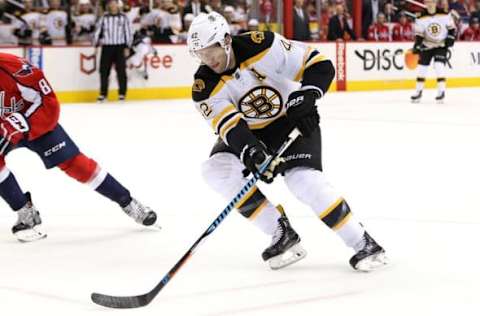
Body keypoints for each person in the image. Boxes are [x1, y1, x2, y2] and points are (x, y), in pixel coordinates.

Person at [187, 12, 387, 271]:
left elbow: (319, 65)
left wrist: (306, 96)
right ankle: (281, 232)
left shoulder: (264, 45)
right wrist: (252, 153)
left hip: (292, 121)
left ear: (225, 40)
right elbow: (231, 128)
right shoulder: (204, 87)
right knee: (216, 170)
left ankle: (363, 243)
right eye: (200, 53)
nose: (206, 59)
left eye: (209, 50)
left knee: (303, 181)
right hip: (252, 132)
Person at [0, 52, 158, 242]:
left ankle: (127, 202)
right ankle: (25, 212)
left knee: (76, 165)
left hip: (35, 120)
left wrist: (22, 124)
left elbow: (48, 101)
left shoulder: (12, 66)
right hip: (3, 124)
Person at [410, 0, 456, 103]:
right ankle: (418, 92)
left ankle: (441, 91)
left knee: (439, 66)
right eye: (428, 2)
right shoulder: (420, 17)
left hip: (441, 45)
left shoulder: (444, 14)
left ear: (435, 3)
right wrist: (417, 45)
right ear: (425, 3)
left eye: (432, 2)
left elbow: (452, 29)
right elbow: (419, 35)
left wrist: (450, 38)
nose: (430, 4)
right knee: (422, 69)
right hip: (427, 45)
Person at [94, 0, 133, 102]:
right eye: (110, 3)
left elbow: (128, 32)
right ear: (108, 5)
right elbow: (98, 31)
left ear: (118, 4)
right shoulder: (104, 17)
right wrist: (95, 44)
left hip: (120, 46)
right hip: (107, 46)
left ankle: (122, 94)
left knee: (121, 70)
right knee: (104, 71)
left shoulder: (123, 17)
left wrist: (128, 46)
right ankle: (103, 94)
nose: (113, 5)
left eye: (114, 3)